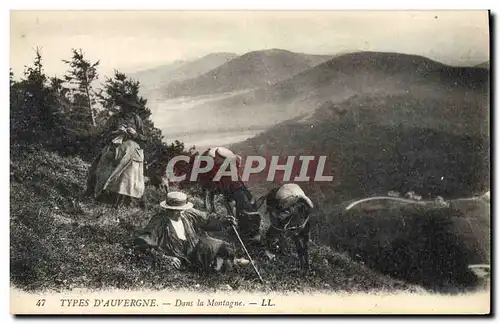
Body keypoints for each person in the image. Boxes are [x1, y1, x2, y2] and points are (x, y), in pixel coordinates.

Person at [133, 191, 250, 273]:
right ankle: (230, 264)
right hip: (178, 253)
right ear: (167, 209)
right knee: (207, 262)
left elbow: (207, 219)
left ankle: (232, 261)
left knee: (217, 246)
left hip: (194, 246)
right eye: (174, 211)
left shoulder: (187, 213)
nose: (179, 213)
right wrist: (165, 258)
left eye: (181, 210)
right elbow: (143, 243)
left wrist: (224, 221)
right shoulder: (158, 222)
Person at [85, 97, 147, 208]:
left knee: (132, 171)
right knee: (98, 166)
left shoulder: (136, 119)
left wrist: (135, 134)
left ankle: (129, 201)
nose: (127, 110)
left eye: (130, 108)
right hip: (115, 147)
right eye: (125, 107)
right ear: (122, 107)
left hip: (131, 149)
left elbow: (145, 138)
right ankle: (95, 193)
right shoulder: (114, 118)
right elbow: (104, 136)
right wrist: (116, 132)